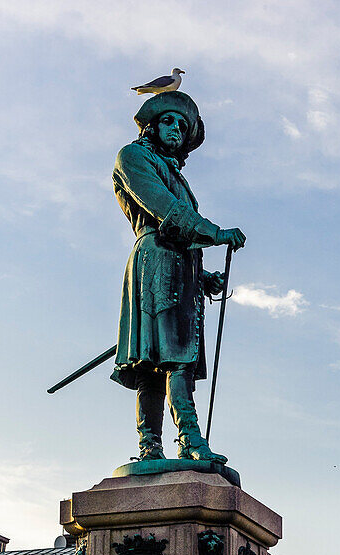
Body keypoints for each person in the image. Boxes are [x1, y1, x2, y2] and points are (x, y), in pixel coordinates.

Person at [112, 91, 245, 463]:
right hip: (155, 262)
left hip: (182, 267)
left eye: (181, 126)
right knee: (165, 361)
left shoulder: (177, 176)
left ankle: (177, 442)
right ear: (152, 126)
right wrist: (214, 232)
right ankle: (174, 442)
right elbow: (163, 210)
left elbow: (181, 230)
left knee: (171, 357)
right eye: (168, 121)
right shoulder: (133, 157)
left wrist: (203, 277)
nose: (175, 129)